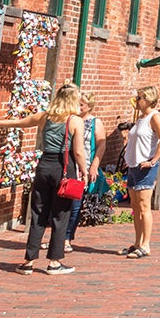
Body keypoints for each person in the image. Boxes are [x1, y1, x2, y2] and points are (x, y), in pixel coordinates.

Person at [0, 82, 88, 274]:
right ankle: (54, 261)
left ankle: (28, 261)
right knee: (60, 215)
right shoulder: (75, 121)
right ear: (73, 100)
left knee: (38, 212)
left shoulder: (45, 117)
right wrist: (84, 171)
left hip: (44, 165)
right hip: (64, 167)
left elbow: (18, 123)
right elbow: (78, 152)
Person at [121, 85, 160, 258]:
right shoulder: (141, 117)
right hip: (134, 166)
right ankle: (137, 242)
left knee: (144, 206)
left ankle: (146, 244)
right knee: (135, 206)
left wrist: (153, 160)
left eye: (139, 98)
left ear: (148, 100)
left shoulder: (155, 117)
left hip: (145, 166)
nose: (137, 101)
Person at [63, 91, 104, 248]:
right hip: (67, 166)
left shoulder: (94, 122)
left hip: (83, 167)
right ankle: (59, 236)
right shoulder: (70, 119)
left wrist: (94, 166)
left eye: (82, 104)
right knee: (62, 203)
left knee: (75, 204)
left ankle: (67, 238)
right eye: (77, 103)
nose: (79, 107)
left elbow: (101, 144)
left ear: (89, 106)